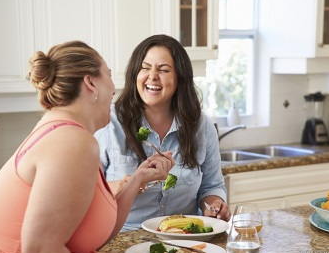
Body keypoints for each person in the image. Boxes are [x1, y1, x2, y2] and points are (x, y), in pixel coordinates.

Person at [0, 40, 174, 253]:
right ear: (91, 83)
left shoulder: (65, 132)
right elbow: (40, 249)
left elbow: (88, 237)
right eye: (108, 75)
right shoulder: (73, 142)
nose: (114, 89)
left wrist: (138, 178)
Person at [94, 34, 231, 231]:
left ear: (179, 79)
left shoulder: (201, 125)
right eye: (145, 67)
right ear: (135, 74)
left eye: (164, 70)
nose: (152, 76)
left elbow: (211, 186)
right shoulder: (109, 122)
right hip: (123, 237)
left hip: (183, 238)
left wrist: (215, 205)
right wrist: (126, 185)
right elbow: (89, 193)